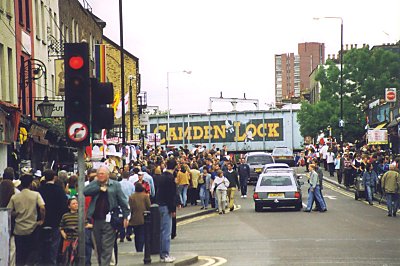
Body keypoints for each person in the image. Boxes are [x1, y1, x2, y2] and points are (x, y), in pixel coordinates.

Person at [83, 166, 130, 266]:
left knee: (106, 247)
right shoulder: (95, 184)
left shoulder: (115, 185)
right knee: (99, 247)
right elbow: (85, 191)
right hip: (96, 220)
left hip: (109, 220)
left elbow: (123, 201)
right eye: (99, 173)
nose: (100, 175)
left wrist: (126, 216)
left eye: (102, 173)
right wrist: (99, 188)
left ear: (107, 175)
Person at [7, 174, 46, 266]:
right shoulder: (36, 195)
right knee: (32, 252)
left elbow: (8, 212)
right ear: (30, 184)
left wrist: (16, 214)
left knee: (20, 255)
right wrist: (42, 220)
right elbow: (42, 208)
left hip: (19, 229)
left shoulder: (15, 197)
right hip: (32, 228)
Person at [38, 169, 68, 265]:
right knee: (55, 244)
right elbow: (64, 205)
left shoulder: (40, 190)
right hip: (56, 221)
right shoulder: (59, 190)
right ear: (54, 177)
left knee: (42, 243)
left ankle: (43, 261)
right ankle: (53, 262)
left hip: (43, 221)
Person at [155, 158, 177, 263]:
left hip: (159, 205)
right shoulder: (170, 178)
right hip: (166, 206)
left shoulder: (161, 177)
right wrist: (173, 209)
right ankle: (165, 255)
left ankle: (162, 254)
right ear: (175, 167)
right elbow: (171, 195)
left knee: (162, 231)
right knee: (166, 232)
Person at [128, 182, 151, 252]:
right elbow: (149, 206)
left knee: (136, 234)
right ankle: (140, 248)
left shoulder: (131, 197)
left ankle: (137, 248)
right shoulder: (145, 196)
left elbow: (130, 208)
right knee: (142, 234)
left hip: (134, 218)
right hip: (143, 218)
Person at [119, 171, 135, 242]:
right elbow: (133, 194)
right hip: (129, 202)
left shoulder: (119, 184)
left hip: (121, 203)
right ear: (128, 176)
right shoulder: (131, 185)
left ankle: (122, 235)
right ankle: (128, 232)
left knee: (122, 218)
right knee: (129, 218)